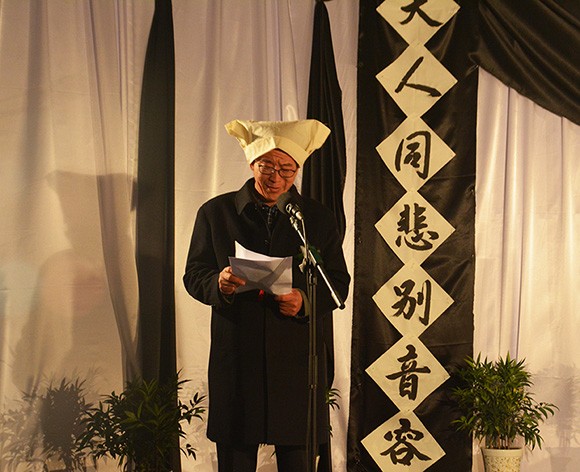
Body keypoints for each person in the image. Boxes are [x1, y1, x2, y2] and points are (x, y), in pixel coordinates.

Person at [183, 119, 350, 472]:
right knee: (236, 460)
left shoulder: (316, 218)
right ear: (252, 164)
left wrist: (304, 301)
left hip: (296, 363)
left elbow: (337, 283)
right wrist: (219, 284)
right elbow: (194, 274)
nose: (276, 177)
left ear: (297, 170)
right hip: (238, 356)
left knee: (298, 461)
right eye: (268, 167)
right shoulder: (216, 213)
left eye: (287, 169)